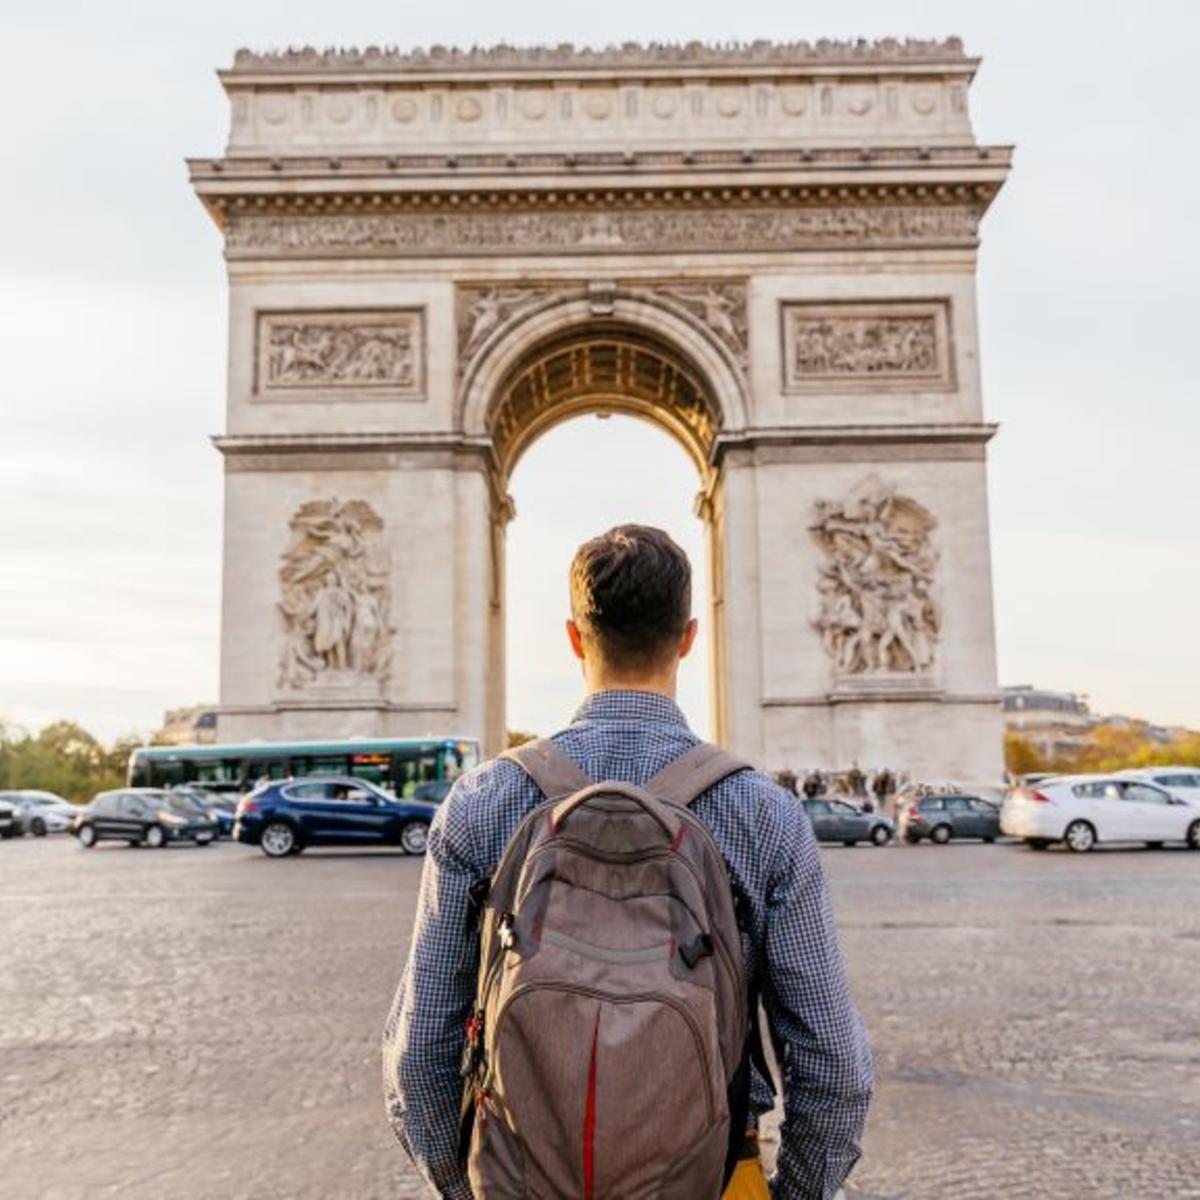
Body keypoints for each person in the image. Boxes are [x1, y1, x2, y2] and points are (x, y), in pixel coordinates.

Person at [383, 525, 872, 1199]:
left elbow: (418, 1058)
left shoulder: (480, 804)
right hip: (718, 1178)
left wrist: (464, 1185)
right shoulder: (764, 814)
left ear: (575, 638)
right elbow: (836, 1067)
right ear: (690, 637)